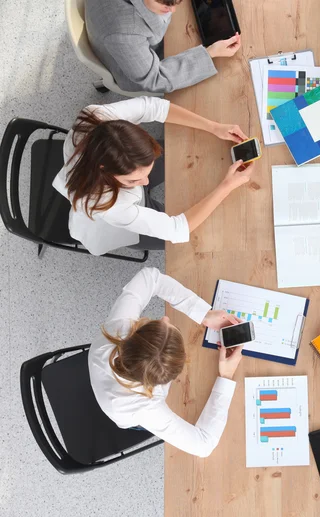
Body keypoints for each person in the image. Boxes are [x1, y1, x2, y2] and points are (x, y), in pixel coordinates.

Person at [52, 96, 255, 255]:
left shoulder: (97, 116)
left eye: (147, 171)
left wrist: (214, 127)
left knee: (181, 155)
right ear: (104, 169)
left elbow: (153, 107)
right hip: (118, 222)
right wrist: (226, 186)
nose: (146, 181)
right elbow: (177, 229)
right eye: (133, 180)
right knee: (197, 238)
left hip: (112, 188)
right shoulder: (107, 205)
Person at [89, 267, 244, 456]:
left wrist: (203, 313)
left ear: (136, 333)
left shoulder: (119, 329)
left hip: (107, 381)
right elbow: (204, 446)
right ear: (171, 376)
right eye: (168, 324)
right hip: (130, 419)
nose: (166, 316)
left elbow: (150, 277)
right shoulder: (146, 408)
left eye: (160, 323)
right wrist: (226, 377)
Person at [85, 0, 241, 93]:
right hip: (138, 68)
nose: (173, 10)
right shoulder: (125, 33)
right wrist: (209, 53)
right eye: (165, 4)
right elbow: (154, 79)